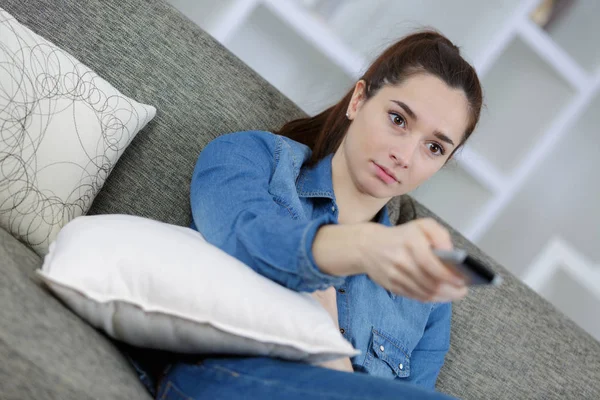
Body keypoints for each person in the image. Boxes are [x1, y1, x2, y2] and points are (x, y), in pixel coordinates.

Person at [154, 29, 483, 399]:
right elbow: (242, 237)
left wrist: (336, 361)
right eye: (398, 119)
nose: (405, 157)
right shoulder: (252, 159)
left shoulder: (427, 298)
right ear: (359, 100)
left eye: (435, 147)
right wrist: (358, 248)